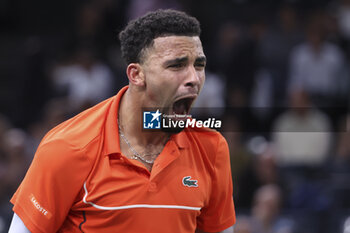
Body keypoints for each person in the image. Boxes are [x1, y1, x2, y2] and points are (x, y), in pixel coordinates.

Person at [8, 9, 236, 233]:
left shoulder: (211, 148)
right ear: (136, 75)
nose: (194, 79)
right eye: (176, 65)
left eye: (199, 65)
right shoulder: (68, 147)